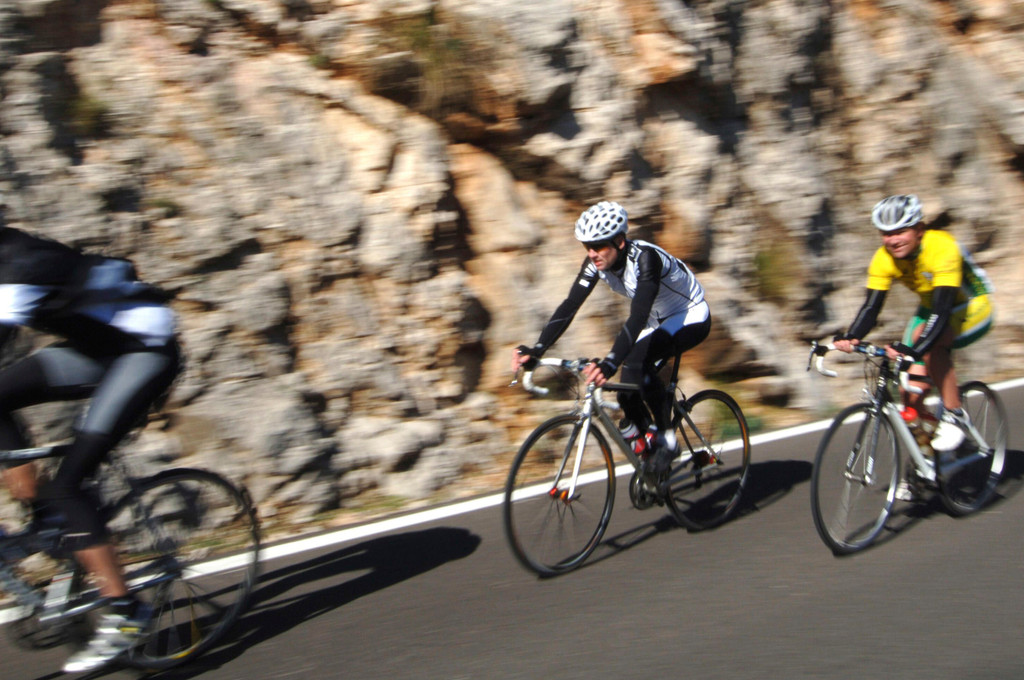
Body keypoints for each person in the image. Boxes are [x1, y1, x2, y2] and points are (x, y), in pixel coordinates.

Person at [0, 217, 181, 673]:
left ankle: (127, 614)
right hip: (96, 350)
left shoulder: (16, 264)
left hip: (144, 352)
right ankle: (44, 514)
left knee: (68, 485)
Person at [511, 201, 711, 481]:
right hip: (657, 320)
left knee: (636, 362)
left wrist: (609, 363)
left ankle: (668, 441)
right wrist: (537, 349)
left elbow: (637, 316)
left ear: (619, 241)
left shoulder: (646, 259)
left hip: (689, 314)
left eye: (598, 246)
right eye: (587, 247)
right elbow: (570, 306)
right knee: (626, 393)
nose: (592, 253)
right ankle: (652, 456)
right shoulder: (597, 264)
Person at [833, 195, 994, 493]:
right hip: (931, 310)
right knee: (910, 393)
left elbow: (943, 311)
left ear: (919, 229)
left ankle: (955, 414)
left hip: (971, 304)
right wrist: (850, 336)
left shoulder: (941, 246)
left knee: (928, 346)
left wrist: (915, 350)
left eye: (900, 231)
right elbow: (871, 307)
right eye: (886, 233)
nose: (892, 240)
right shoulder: (883, 258)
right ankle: (926, 463)